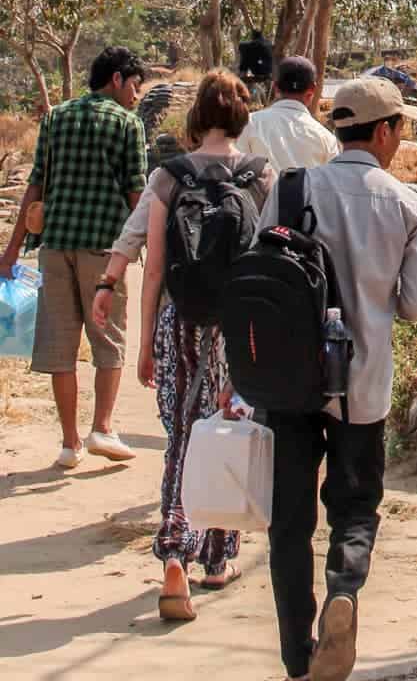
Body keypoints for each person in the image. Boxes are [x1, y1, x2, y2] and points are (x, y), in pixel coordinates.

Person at [225, 77, 417, 681]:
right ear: (387, 130)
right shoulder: (408, 205)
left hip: (288, 382)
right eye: (401, 127)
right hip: (362, 386)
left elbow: (261, 271)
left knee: (289, 518)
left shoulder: (291, 188)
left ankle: (297, 655)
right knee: (355, 503)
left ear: (340, 129)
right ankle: (344, 589)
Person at [139, 70, 277, 621]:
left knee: (182, 435)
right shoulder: (261, 176)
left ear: (196, 116)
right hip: (239, 329)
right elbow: (271, 266)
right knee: (227, 432)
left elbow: (153, 272)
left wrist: (148, 341)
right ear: (243, 115)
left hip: (179, 322)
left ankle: (176, 555)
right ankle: (217, 557)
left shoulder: (168, 178)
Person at [0, 47, 147, 468]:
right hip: (105, 250)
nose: (136, 96)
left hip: (54, 249)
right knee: (109, 341)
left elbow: (35, 186)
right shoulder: (127, 124)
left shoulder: (55, 117)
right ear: (117, 79)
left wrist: (11, 252)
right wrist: (156, 245)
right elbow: (137, 192)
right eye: (134, 86)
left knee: (60, 348)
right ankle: (102, 426)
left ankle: (70, 443)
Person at [236, 55, 339, 172]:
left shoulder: (248, 123)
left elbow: (235, 169)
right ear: (312, 90)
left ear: (275, 87)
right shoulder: (326, 139)